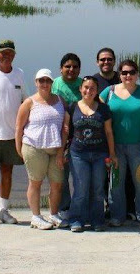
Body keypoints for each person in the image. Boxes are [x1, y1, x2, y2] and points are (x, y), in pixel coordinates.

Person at [100, 59, 140, 228]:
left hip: (138, 146)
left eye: (132, 72)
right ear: (119, 75)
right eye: (124, 72)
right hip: (115, 146)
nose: (128, 75)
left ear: (137, 74)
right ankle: (117, 216)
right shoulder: (109, 92)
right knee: (115, 183)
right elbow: (95, 111)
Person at [15, 69, 69, 230]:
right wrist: (19, 149)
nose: (45, 84)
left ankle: (53, 214)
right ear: (36, 83)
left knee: (57, 184)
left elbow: (65, 127)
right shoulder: (29, 102)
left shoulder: (60, 100)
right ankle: (36, 216)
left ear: (52, 83)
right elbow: (19, 128)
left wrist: (62, 150)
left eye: (48, 80)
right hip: (34, 147)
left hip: (55, 148)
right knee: (35, 182)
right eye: (41, 80)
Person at [68, 76, 117, 232]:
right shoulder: (72, 107)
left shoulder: (103, 109)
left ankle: (97, 220)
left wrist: (112, 154)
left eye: (92, 88)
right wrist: (61, 151)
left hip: (99, 154)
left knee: (97, 189)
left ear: (97, 91)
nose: (89, 91)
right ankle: (76, 219)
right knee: (80, 188)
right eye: (86, 88)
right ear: (81, 89)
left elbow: (109, 132)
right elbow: (66, 130)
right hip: (78, 154)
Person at [0, 39, 26, 224]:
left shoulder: (19, 74)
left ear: (14, 55)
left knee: (7, 173)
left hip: (11, 135)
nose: (7, 56)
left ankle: (3, 211)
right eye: (3, 53)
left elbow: (26, 101)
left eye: (10, 53)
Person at [92, 47, 136, 220]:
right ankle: (108, 207)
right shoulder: (94, 81)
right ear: (97, 62)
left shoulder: (123, 78)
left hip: (125, 137)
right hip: (102, 138)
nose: (106, 62)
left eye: (109, 59)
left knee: (127, 177)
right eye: (102, 60)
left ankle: (130, 208)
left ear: (114, 62)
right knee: (104, 177)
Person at [52, 53, 82, 218]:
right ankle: (64, 208)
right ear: (61, 68)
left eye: (75, 67)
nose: (71, 70)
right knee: (61, 176)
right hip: (59, 137)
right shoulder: (54, 84)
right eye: (67, 66)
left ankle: (80, 208)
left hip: (80, 137)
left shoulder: (83, 84)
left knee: (80, 175)